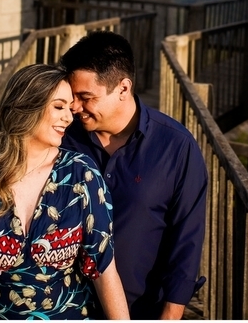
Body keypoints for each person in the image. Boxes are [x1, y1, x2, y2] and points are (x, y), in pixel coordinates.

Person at [0, 64, 129, 320]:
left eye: (69, 108)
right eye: (58, 107)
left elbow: (103, 271)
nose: (68, 117)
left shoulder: (80, 176)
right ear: (26, 107)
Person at [60, 31, 208, 320]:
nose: (74, 107)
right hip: (65, 307)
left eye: (85, 97)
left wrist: (170, 316)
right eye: (72, 96)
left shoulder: (176, 146)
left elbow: (186, 240)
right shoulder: (61, 135)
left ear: (123, 88)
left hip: (142, 309)